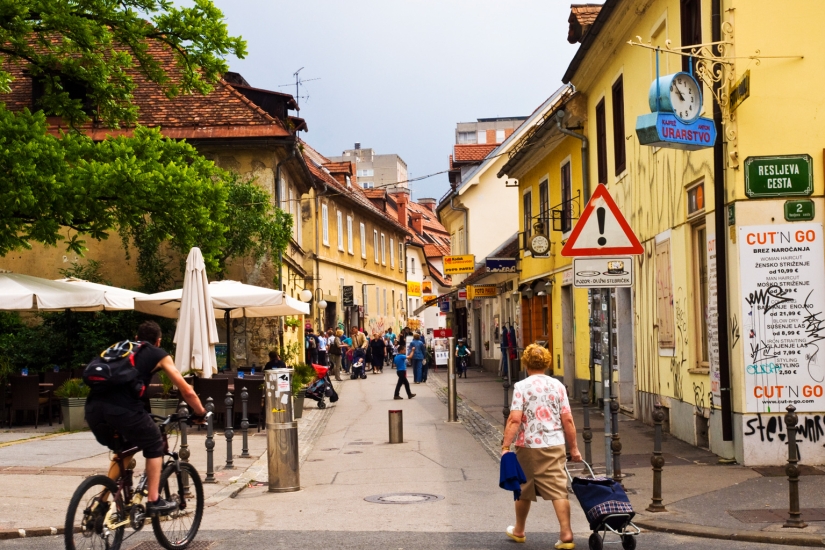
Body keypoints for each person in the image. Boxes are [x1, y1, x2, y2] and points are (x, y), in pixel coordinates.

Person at [85, 321, 208, 515]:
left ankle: (101, 502)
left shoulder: (120, 349)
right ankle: (154, 500)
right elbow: (187, 391)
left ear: (136, 338)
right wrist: (200, 413)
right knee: (154, 443)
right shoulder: (158, 354)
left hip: (93, 410)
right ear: (158, 341)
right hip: (124, 410)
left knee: (124, 449)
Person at [500, 344, 581, 549]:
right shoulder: (558, 386)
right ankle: (566, 533)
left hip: (527, 445)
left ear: (525, 363)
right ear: (547, 363)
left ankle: (519, 530)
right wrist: (574, 449)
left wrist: (505, 446)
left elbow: (514, 419)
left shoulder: (521, 387)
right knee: (558, 489)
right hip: (554, 444)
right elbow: (568, 420)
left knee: (524, 488)